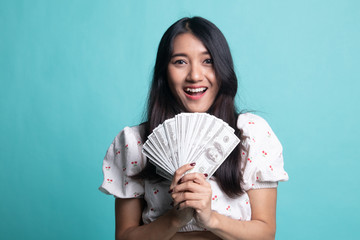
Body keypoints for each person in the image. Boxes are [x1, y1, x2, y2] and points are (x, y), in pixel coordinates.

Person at [99, 16, 288, 240]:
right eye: (180, 61)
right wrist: (175, 218)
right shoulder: (134, 142)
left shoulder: (251, 134)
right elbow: (124, 237)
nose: (195, 76)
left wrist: (210, 218)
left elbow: (265, 234)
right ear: (163, 72)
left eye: (207, 61)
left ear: (223, 69)